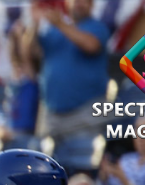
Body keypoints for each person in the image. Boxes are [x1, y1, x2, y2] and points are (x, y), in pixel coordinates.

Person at [25, 0, 110, 139]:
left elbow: (91, 45)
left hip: (85, 113)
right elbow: (29, 53)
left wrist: (60, 24)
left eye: (84, 1)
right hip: (52, 114)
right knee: (46, 159)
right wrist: (34, 23)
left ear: (92, 5)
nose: (79, 4)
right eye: (75, 1)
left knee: (82, 159)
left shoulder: (97, 27)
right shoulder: (53, 31)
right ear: (67, 3)